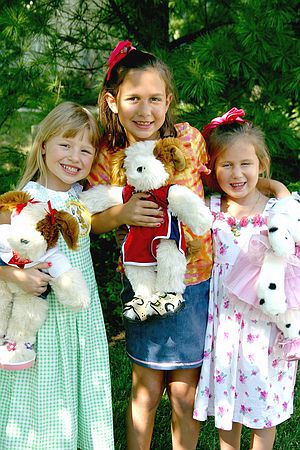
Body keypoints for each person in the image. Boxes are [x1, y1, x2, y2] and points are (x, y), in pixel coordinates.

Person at [87, 41, 286, 449]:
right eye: (134, 99)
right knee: (145, 388)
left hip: (197, 282)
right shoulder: (109, 154)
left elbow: (225, 175)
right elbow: (91, 219)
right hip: (145, 284)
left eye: (155, 99)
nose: (145, 110)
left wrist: (271, 187)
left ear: (168, 100)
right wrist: (121, 215)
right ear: (112, 102)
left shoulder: (190, 138)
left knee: (184, 393)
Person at [0, 102, 114, 450]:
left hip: (82, 320)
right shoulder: (20, 200)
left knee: (81, 390)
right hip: (42, 321)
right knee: (41, 390)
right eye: (66, 144)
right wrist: (12, 276)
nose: (74, 157)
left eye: (85, 150)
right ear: (44, 144)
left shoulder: (81, 200)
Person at [193, 108, 297, 450]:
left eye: (246, 164)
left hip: (265, 329)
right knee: (230, 401)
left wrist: (277, 188)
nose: (237, 174)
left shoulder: (277, 211)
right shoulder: (210, 208)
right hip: (225, 328)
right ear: (213, 169)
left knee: (263, 403)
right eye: (226, 165)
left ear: (261, 163)